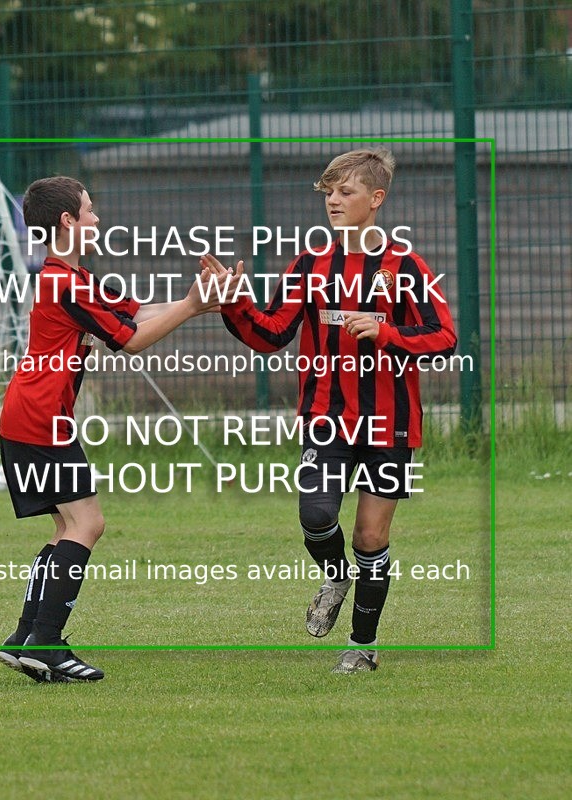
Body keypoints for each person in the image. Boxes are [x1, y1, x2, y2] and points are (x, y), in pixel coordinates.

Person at [202, 148, 456, 673]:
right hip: (326, 416)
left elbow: (444, 336)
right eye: (329, 191)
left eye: (346, 191)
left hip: (389, 422)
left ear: (376, 199)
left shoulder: (404, 265)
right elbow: (271, 333)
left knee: (371, 536)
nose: (334, 201)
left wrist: (387, 332)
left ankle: (361, 648)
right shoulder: (310, 263)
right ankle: (336, 575)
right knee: (316, 516)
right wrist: (234, 302)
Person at [0, 176, 237, 683]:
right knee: (87, 525)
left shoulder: (76, 279)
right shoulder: (66, 284)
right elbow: (130, 340)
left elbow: (134, 313)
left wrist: (200, 302)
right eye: (89, 210)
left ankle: (26, 637)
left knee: (66, 527)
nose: (97, 218)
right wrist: (192, 306)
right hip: (41, 419)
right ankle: (47, 644)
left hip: (30, 415)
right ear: (67, 221)